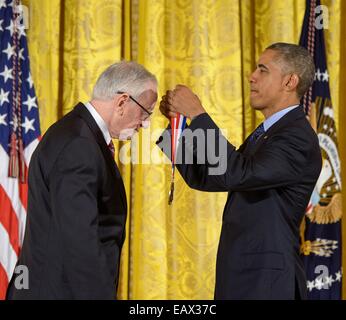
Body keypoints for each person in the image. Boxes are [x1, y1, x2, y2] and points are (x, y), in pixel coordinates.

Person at [158, 43, 322, 300]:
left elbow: (237, 173)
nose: (251, 76)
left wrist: (198, 115)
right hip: (244, 279)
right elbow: (209, 177)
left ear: (290, 81)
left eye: (263, 70)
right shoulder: (268, 134)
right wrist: (177, 129)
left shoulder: (296, 137)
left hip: (266, 284)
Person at [6, 61, 158, 299]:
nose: (145, 124)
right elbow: (80, 243)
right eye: (146, 113)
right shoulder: (79, 145)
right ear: (122, 102)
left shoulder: (77, 133)